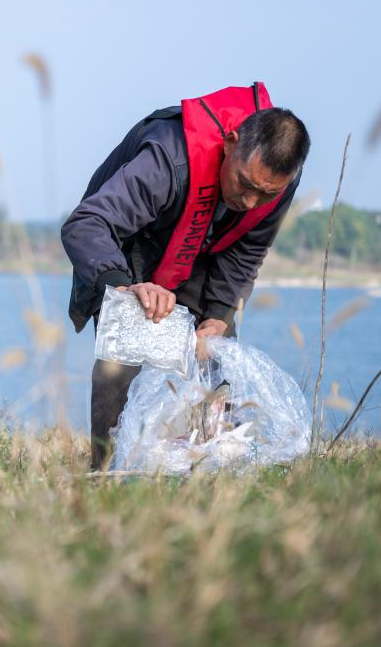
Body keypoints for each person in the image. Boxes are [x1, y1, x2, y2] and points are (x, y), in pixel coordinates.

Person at [60, 82, 310, 470]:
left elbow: (248, 250)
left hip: (203, 245)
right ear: (230, 142)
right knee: (125, 346)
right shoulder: (166, 158)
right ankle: (107, 473)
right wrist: (124, 286)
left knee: (218, 351)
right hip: (128, 242)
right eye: (244, 184)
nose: (249, 202)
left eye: (265, 194)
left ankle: (204, 469)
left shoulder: (275, 182)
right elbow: (86, 224)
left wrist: (219, 314)